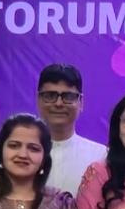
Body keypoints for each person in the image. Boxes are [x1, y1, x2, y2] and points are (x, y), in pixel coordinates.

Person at [36, 63, 106, 197]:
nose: (58, 103)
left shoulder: (101, 156)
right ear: (38, 100)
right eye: (50, 95)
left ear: (81, 102)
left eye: (68, 96)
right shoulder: (18, 154)